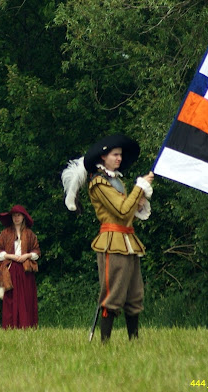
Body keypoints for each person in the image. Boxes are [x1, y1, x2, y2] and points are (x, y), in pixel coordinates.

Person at [71, 134, 154, 343]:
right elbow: (121, 210)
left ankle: (134, 341)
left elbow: (129, 211)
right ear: (103, 157)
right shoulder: (99, 183)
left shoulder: (116, 181)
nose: (119, 158)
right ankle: (104, 343)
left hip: (128, 241)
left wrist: (140, 198)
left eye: (120, 155)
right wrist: (140, 187)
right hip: (112, 242)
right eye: (115, 155)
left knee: (135, 294)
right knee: (113, 294)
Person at [0, 205, 40, 329]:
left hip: (25, 271)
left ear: (23, 217)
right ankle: (10, 327)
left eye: (18, 215)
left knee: (26, 300)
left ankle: (26, 326)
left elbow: (37, 252)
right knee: (10, 300)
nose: (16, 218)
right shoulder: (5, 233)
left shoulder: (29, 234)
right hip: (11, 270)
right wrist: (10, 256)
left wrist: (27, 255)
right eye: (14, 215)